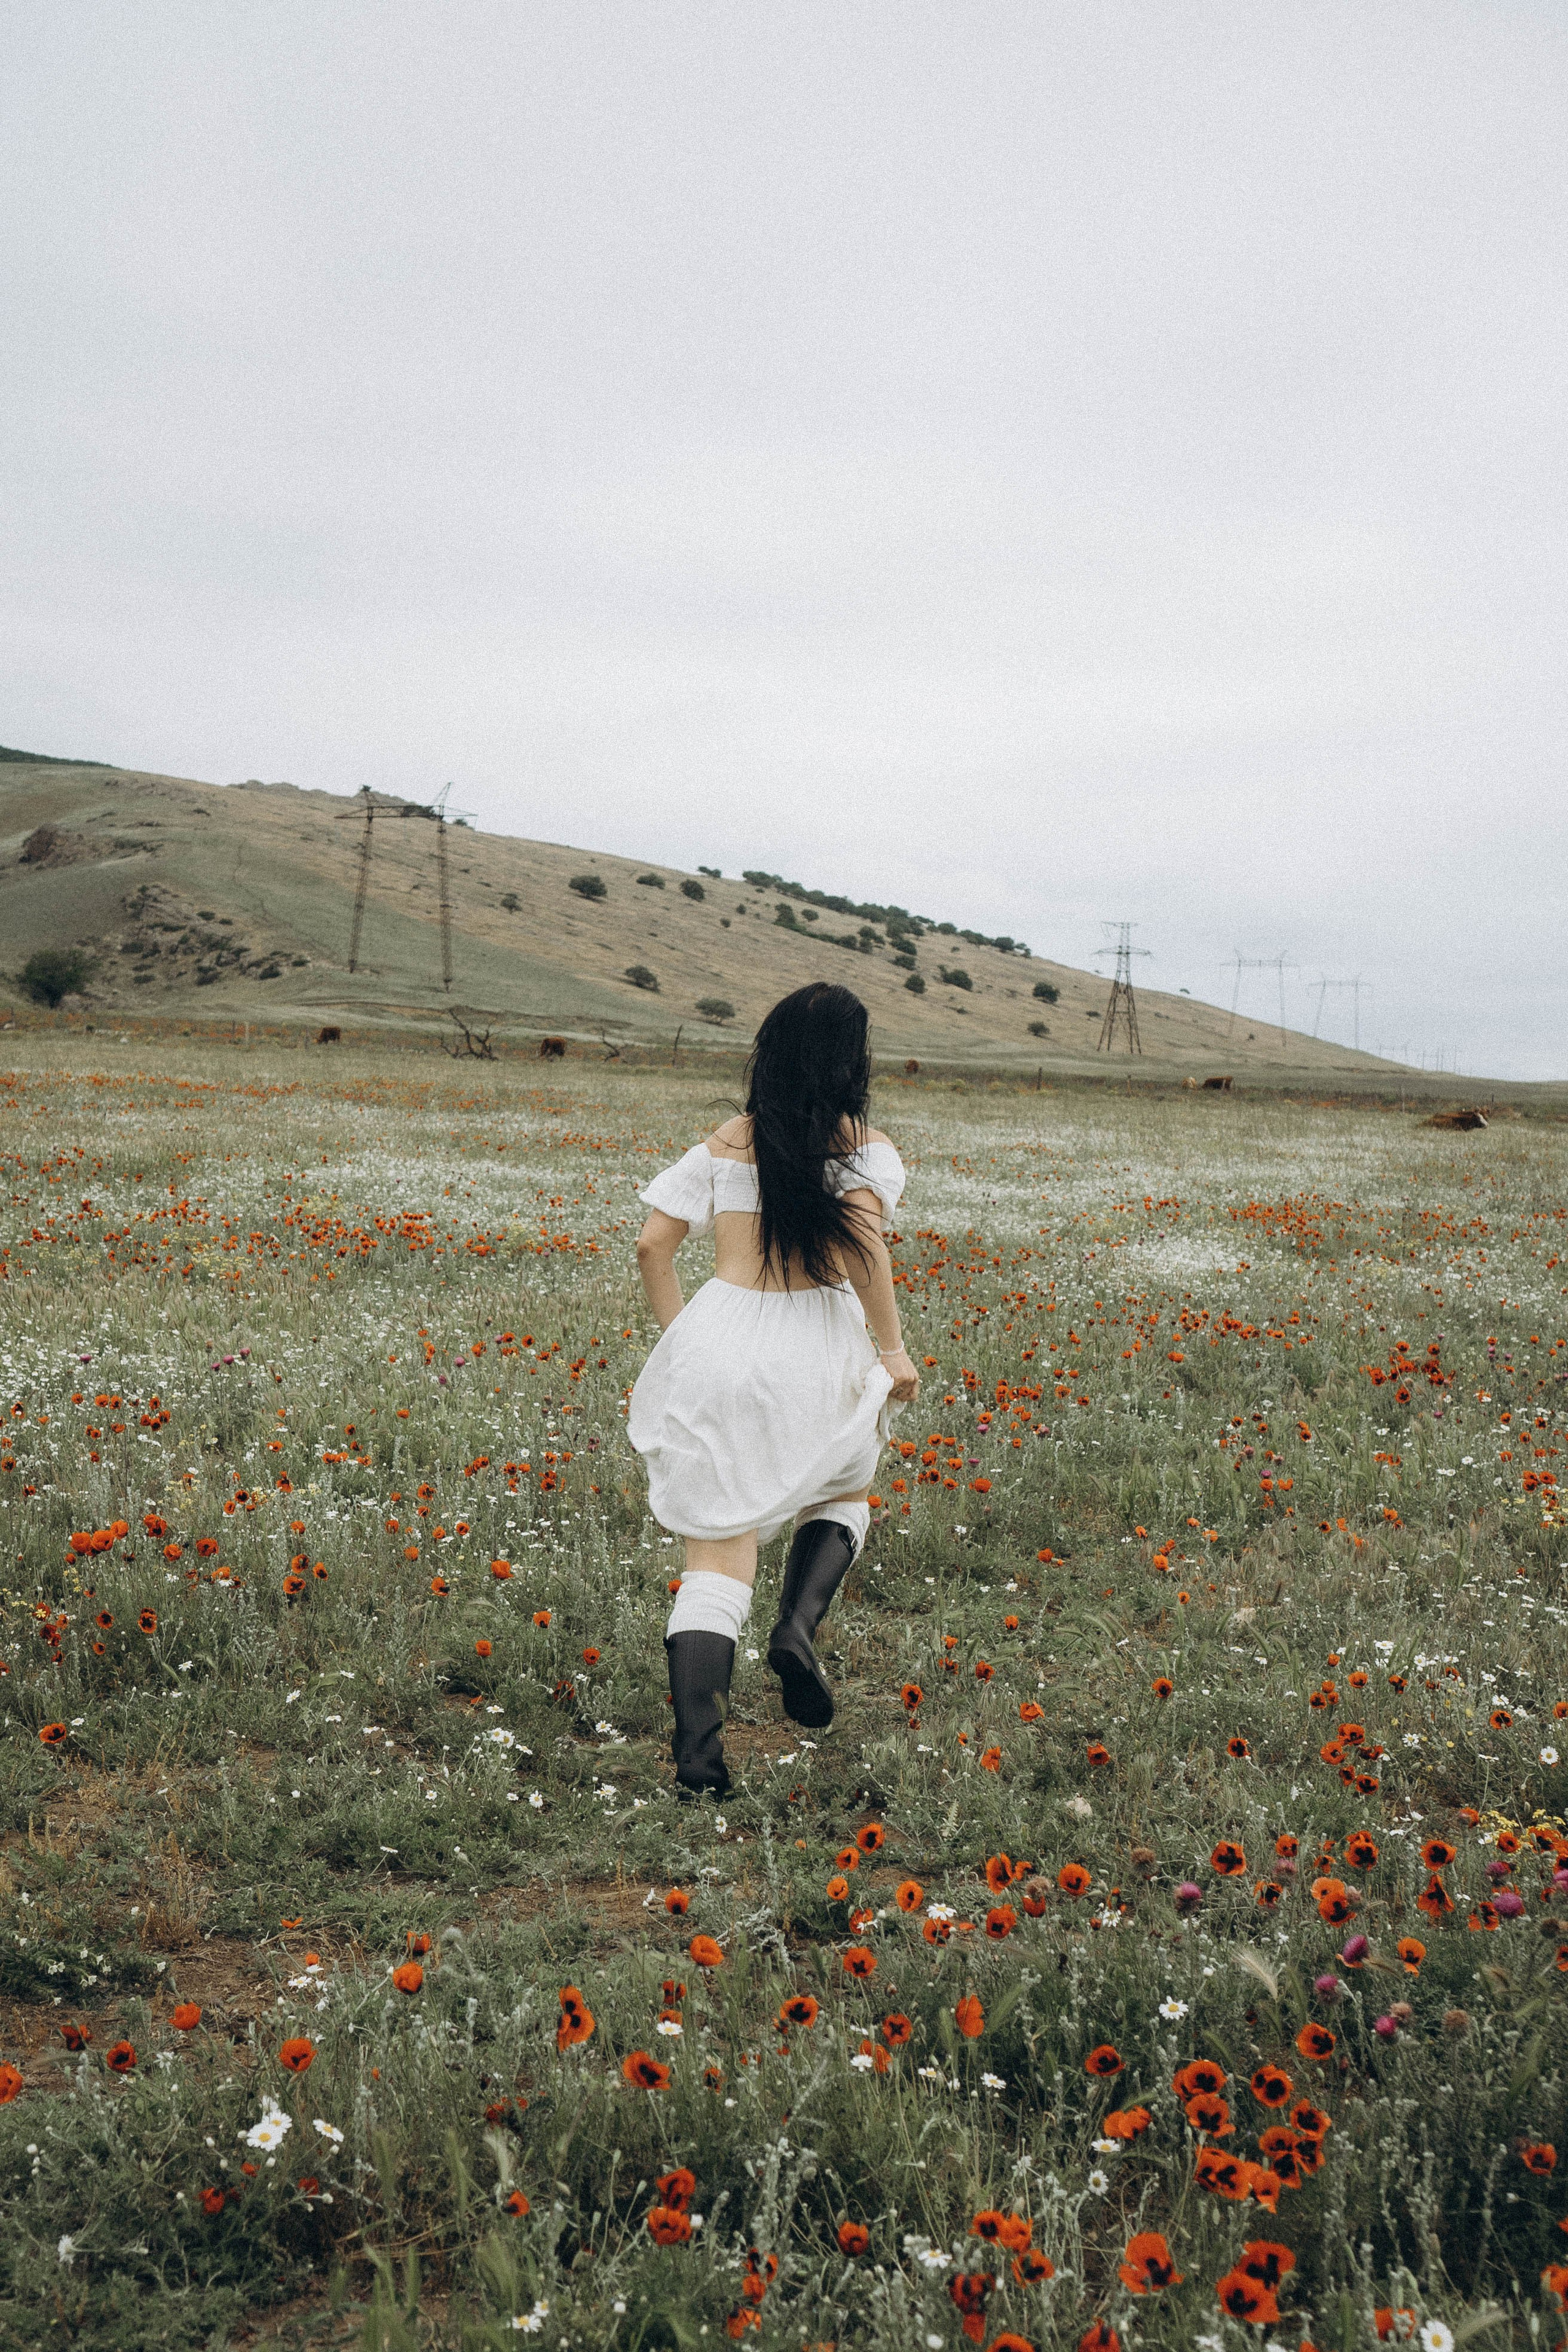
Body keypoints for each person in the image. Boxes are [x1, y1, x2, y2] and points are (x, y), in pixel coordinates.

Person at [628, 981, 919, 1796]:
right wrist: (892, 1349)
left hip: (721, 1334)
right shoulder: (859, 1147)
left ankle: (698, 1765)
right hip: (813, 1341)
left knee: (717, 1552)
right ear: (847, 1064)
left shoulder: (720, 1145)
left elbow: (654, 1246)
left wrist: (685, 1337)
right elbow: (863, 1246)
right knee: (846, 1485)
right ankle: (796, 1627)